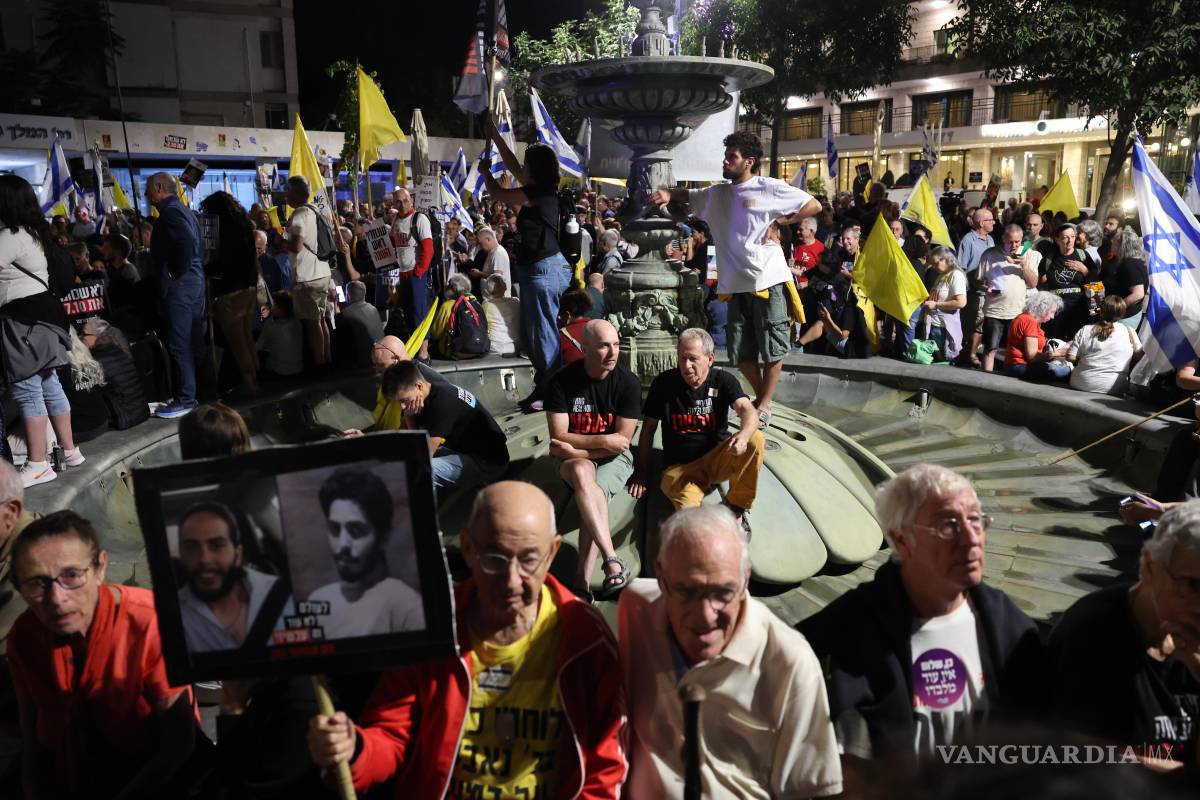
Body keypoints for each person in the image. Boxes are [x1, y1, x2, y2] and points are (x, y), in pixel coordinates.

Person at [307, 481, 628, 798]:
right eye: (495, 558)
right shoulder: (432, 629)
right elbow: (390, 737)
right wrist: (353, 750)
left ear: (553, 551)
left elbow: (605, 769)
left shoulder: (586, 640)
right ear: (468, 548)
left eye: (529, 559)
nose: (511, 581)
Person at [798, 464, 1043, 774]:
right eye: (948, 525)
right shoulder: (842, 633)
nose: (970, 538)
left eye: (976, 521)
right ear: (901, 540)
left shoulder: (1009, 624)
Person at [620, 505, 841, 798]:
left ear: (745, 579)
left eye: (723, 592)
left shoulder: (790, 662)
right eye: (686, 592)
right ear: (661, 579)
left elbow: (810, 790)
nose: (705, 616)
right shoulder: (635, 609)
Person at [8, 510, 199, 797]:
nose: (57, 600)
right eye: (37, 584)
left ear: (100, 569)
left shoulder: (148, 623)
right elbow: (33, 741)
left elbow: (179, 744)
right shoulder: (24, 638)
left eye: (71, 576)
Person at [652, 132, 819, 428]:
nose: (725, 161)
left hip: (768, 279)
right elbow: (689, 196)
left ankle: (765, 404)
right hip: (735, 284)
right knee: (740, 354)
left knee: (773, 348)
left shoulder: (768, 187)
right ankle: (762, 399)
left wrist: (783, 221)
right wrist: (668, 194)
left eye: (732, 157)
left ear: (749, 162)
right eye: (726, 155)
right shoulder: (717, 193)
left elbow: (813, 205)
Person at [1049, 501, 1200, 769]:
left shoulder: (1188, 634)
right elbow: (1077, 754)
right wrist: (1182, 778)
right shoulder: (1095, 635)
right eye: (1193, 585)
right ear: (1151, 568)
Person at [544, 319, 641, 598]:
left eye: (616, 345)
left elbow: (620, 442)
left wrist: (577, 450)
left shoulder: (628, 383)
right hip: (577, 460)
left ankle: (582, 583)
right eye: (603, 346)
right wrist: (600, 441)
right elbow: (558, 434)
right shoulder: (561, 382)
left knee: (589, 491)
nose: (612, 353)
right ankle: (611, 561)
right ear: (584, 348)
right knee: (584, 476)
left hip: (613, 459)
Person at [629, 329, 764, 525]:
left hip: (717, 459)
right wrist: (641, 473)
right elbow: (648, 429)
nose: (686, 365)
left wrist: (743, 436)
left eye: (693, 359)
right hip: (682, 471)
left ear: (710, 359)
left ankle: (736, 506)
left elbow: (747, 410)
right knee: (691, 523)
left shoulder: (723, 380)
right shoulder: (663, 383)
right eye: (682, 358)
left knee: (756, 438)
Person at [480, 122, 572, 409]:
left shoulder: (538, 194)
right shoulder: (544, 190)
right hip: (545, 268)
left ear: (535, 169)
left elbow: (499, 195)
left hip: (542, 269)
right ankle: (546, 385)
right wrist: (495, 137)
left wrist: (486, 174)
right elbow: (513, 166)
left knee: (542, 332)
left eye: (527, 165)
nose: (522, 168)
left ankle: (551, 390)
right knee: (537, 331)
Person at [0, 175, 82, 486]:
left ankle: (38, 463)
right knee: (49, 384)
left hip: (23, 322)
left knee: (26, 388)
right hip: (47, 318)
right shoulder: (35, 234)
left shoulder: (10, 235)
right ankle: (70, 450)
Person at [307, 466, 425, 639]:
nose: (343, 544)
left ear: (383, 537)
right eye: (334, 529)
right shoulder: (317, 600)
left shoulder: (407, 608)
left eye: (356, 530)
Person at [176, 501, 293, 653]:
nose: (204, 559)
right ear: (181, 556)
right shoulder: (173, 617)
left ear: (237, 554)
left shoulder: (283, 595)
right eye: (191, 547)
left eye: (217, 545)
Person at [381, 361, 509, 493]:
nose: (402, 407)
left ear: (418, 386)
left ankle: (421, 511)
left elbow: (423, 457)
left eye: (403, 401)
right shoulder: (430, 391)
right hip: (466, 451)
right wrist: (409, 416)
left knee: (419, 472)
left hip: (488, 464)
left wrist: (409, 417)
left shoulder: (441, 404)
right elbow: (409, 439)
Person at [147, 171, 208, 418]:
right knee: (194, 343)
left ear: (160, 188)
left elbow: (185, 241)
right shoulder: (183, 210)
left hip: (181, 287)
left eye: (148, 189)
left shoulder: (171, 213)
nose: (146, 194)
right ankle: (200, 394)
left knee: (180, 344)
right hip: (193, 283)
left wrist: (174, 272)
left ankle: (185, 398)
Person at [201, 191, 261, 395]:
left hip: (231, 291)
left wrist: (205, 268)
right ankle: (256, 378)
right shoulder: (244, 223)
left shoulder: (224, 228)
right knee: (246, 337)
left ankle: (249, 384)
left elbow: (225, 261)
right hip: (249, 287)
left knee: (238, 342)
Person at [343, 335, 449, 437]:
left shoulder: (417, 384)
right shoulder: (400, 376)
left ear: (396, 359)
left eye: (380, 365)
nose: (377, 371)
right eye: (375, 365)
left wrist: (368, 442)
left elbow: (413, 435)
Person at [284, 175, 333, 368]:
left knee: (313, 324)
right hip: (322, 272)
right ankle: (327, 358)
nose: (285, 194)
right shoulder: (315, 210)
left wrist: (281, 244)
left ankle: (320, 365)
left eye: (287, 190)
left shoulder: (298, 215)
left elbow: (296, 246)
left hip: (308, 276)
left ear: (295, 193)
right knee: (321, 320)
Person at [978, 224, 1040, 372]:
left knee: (1014, 351)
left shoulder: (1028, 254)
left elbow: (1033, 284)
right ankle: (986, 380)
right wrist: (986, 288)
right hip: (994, 310)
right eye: (1010, 242)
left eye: (1017, 242)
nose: (1014, 245)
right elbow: (978, 280)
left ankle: (1008, 382)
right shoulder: (989, 254)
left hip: (1018, 312)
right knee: (990, 348)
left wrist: (1024, 266)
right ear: (1003, 239)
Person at [386, 189, 434, 360]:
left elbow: (428, 248)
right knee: (407, 312)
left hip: (415, 273)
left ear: (411, 200)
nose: (403, 204)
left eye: (405, 200)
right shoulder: (396, 221)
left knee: (419, 312)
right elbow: (393, 244)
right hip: (403, 273)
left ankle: (423, 351)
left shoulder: (419, 219)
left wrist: (420, 270)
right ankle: (414, 347)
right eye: (398, 201)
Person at [79, 317, 150, 431]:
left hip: (124, 420)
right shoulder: (116, 351)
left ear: (97, 336)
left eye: (83, 334)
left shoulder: (97, 359)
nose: (80, 338)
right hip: (141, 413)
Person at [1067, 295, 1143, 395]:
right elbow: (1139, 356)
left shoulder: (1086, 329)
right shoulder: (1129, 331)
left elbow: (1070, 357)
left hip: (1081, 382)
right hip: (1114, 387)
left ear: (1101, 310)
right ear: (1122, 313)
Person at [1039, 222, 1092, 341]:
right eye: (1065, 237)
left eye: (1073, 237)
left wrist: (1084, 270)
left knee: (1076, 341)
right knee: (1054, 341)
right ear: (1057, 240)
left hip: (1078, 309)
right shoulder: (1049, 258)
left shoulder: (1083, 255)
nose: (1070, 241)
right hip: (1055, 310)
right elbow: (1040, 281)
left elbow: (1096, 281)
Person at [1006, 290, 1071, 381]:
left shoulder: (1022, 317)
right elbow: (1032, 357)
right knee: (1068, 370)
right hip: (1021, 367)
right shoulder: (1029, 321)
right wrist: (1058, 353)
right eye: (1052, 312)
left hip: (1013, 366)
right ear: (1043, 308)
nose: (1052, 317)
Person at [920, 246, 967, 363]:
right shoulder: (942, 275)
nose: (934, 267)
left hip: (944, 328)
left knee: (942, 363)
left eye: (936, 263)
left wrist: (935, 305)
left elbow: (961, 302)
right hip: (935, 325)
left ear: (946, 259)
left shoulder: (956, 275)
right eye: (932, 264)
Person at [1101, 226, 1149, 330]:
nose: (1111, 242)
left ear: (1122, 245)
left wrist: (1115, 308)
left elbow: (1138, 294)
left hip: (1125, 317)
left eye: (1114, 241)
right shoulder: (1131, 262)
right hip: (1123, 316)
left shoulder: (1130, 263)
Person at [256, 290, 304, 378]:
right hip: (298, 369)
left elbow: (258, 346)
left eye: (274, 304)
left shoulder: (270, 325)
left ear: (281, 309)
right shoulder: (297, 322)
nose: (271, 307)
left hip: (279, 371)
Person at [340, 279, 384, 367]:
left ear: (348, 296)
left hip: (361, 361)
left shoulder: (346, 313)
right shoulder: (373, 309)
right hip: (379, 356)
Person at [468, 225, 511, 299]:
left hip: (498, 300)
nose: (480, 246)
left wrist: (479, 274)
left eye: (481, 243)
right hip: (492, 299)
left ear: (488, 239)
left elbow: (497, 277)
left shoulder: (498, 253)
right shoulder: (492, 252)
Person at [482, 274, 520, 356]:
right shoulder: (515, 302)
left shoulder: (485, 305)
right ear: (504, 286)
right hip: (514, 346)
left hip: (494, 347)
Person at [557, 288, 593, 366]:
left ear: (567, 315)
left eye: (560, 315)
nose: (559, 318)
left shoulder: (561, 336)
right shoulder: (597, 327)